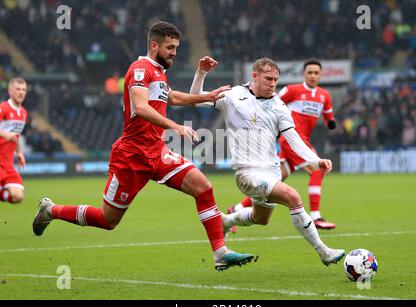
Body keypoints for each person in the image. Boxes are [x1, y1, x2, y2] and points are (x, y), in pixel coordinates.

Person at [32, 21, 256, 271]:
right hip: (131, 156)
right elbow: (140, 107)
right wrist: (176, 126)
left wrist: (205, 96)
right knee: (107, 220)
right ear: (154, 45)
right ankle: (51, 210)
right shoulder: (140, 69)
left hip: (157, 152)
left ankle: (220, 253)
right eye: (170, 47)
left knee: (203, 187)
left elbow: (171, 96)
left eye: (176, 47)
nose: (174, 52)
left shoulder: (159, 72)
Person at [190, 57, 345, 266]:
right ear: (254, 76)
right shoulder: (234, 96)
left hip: (271, 172)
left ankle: (225, 221)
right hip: (247, 173)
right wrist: (201, 73)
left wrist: (316, 161)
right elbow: (194, 97)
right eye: (268, 78)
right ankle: (323, 251)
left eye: (276, 80)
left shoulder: (279, 106)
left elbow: (293, 139)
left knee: (260, 218)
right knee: (292, 196)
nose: (273, 84)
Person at [228, 59, 338, 230]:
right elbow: (272, 103)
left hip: (302, 141)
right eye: (310, 72)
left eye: (316, 73)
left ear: (320, 75)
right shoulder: (293, 90)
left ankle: (236, 208)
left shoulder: (324, 95)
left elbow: (329, 115)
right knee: (318, 170)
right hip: (292, 140)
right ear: (304, 74)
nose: (313, 76)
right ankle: (315, 216)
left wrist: (331, 122)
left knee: (272, 180)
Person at [0, 77, 28, 204]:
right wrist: (3, 133)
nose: (21, 92)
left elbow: (16, 135)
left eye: (23, 89)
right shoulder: (3, 108)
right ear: (10, 91)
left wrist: (19, 153)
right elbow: (8, 134)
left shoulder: (23, 113)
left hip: (8, 163)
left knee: (18, 196)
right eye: (18, 89)